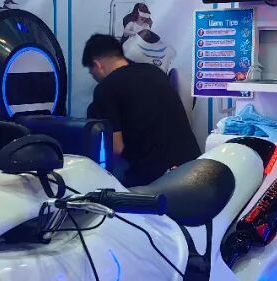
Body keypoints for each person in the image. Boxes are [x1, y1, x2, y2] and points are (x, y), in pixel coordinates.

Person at [83, 33, 200, 186]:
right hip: (194, 167)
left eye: (92, 73)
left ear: (97, 65)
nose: (95, 78)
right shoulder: (155, 72)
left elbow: (116, 148)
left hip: (157, 179)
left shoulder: (106, 88)